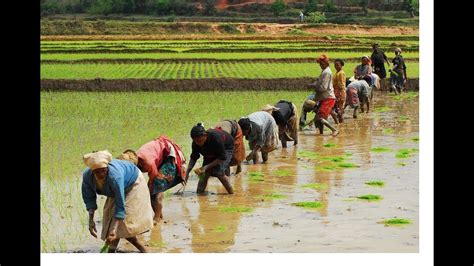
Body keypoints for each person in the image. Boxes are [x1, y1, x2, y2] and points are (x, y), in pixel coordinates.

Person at [82, 150, 153, 253]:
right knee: (109, 218)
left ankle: (144, 250)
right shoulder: (87, 177)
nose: (101, 174)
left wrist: (114, 230)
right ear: (92, 171)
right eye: (97, 172)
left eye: (103, 170)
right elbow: (89, 198)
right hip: (116, 188)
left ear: (107, 167)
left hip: (133, 183)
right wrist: (91, 221)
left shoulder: (114, 177)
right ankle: (111, 251)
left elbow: (120, 205)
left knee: (123, 225)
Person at [117, 136, 186, 224]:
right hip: (159, 155)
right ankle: (160, 216)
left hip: (168, 157)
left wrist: (146, 193)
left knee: (157, 187)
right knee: (151, 192)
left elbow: (153, 179)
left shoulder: (147, 162)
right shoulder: (137, 162)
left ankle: (157, 218)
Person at [186, 123, 234, 195]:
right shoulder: (195, 143)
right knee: (203, 174)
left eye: (199, 141)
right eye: (195, 141)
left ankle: (231, 193)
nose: (198, 144)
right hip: (210, 152)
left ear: (205, 135)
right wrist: (187, 172)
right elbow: (194, 157)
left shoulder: (216, 138)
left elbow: (222, 157)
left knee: (219, 172)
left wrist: (206, 167)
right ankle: (199, 192)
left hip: (226, 147)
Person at [307, 54, 339, 136]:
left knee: (320, 118)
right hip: (324, 98)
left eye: (321, 64)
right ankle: (321, 134)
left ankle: (334, 130)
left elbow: (323, 88)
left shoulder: (326, 72)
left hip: (328, 98)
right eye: (320, 64)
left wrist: (313, 86)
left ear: (326, 63)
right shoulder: (325, 72)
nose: (320, 65)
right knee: (319, 118)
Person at [332, 59, 346, 123]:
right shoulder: (337, 73)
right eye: (335, 65)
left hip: (340, 92)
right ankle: (340, 123)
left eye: (337, 65)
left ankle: (341, 124)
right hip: (336, 92)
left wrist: (340, 94)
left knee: (340, 110)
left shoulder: (341, 73)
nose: (336, 66)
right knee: (338, 109)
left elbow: (342, 85)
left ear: (341, 65)